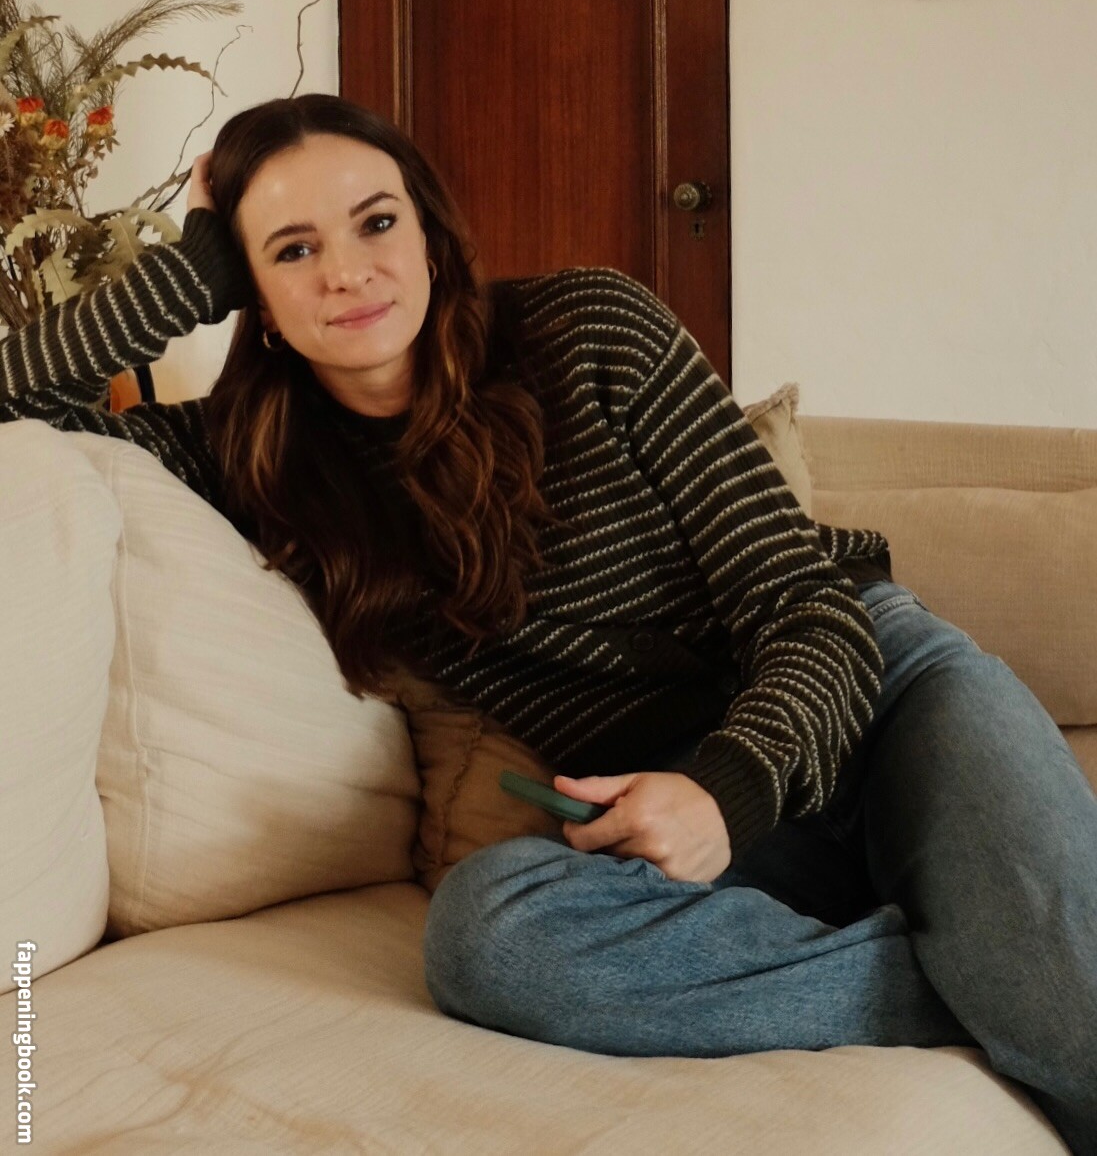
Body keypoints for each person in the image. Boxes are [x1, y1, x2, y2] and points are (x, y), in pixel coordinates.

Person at [1, 93, 1094, 1154]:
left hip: (877, 697)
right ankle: (995, 965)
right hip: (671, 815)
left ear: (428, 233)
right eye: (292, 250)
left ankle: (1021, 966)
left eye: (376, 223)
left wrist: (724, 788)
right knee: (491, 937)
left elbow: (802, 605)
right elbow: (18, 415)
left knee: (1069, 1004)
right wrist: (189, 270)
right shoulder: (254, 458)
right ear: (254, 294)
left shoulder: (587, 325)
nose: (346, 271)